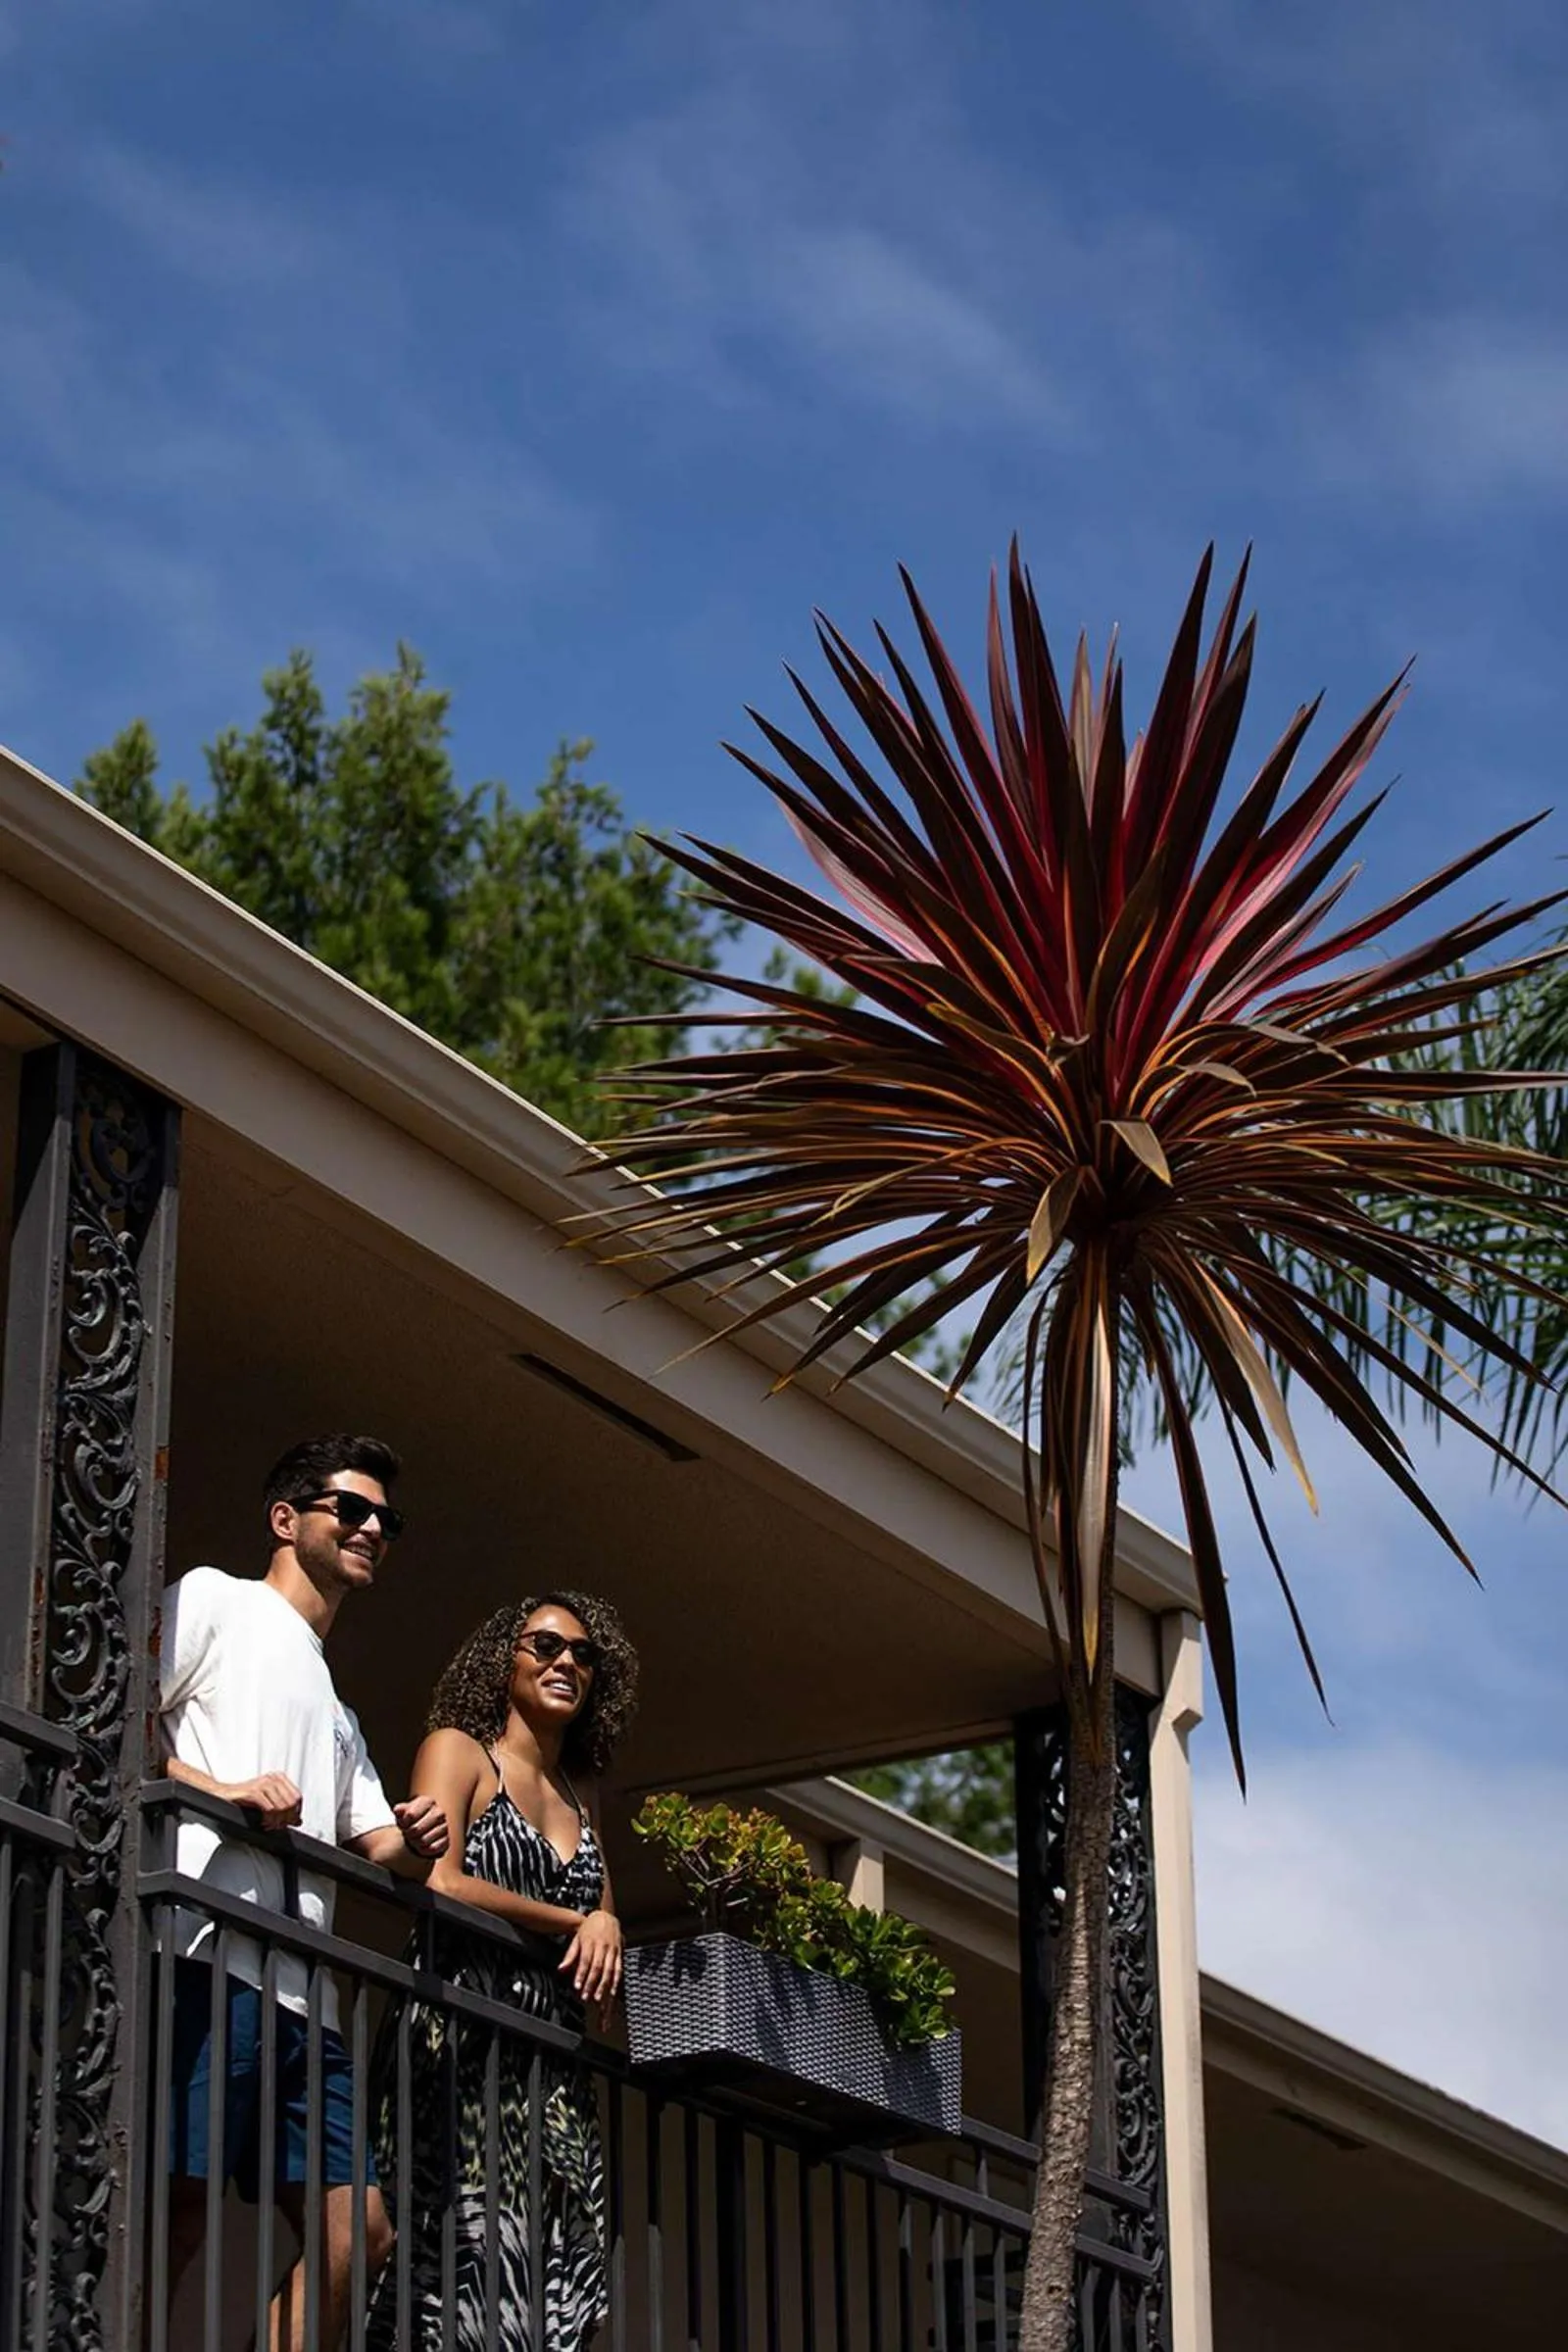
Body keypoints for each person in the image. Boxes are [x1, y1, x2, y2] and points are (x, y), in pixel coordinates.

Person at [159, 1434, 450, 2352]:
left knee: (358, 2234)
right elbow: (114, 1730)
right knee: (180, 2210)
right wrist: (226, 1789)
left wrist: (421, 1836)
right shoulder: (215, 1600)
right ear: (285, 1520)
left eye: (384, 1519)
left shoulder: (336, 1705)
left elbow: (375, 1841)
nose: (371, 1528)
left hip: (305, 1999)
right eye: (350, 1510)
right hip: (207, 1954)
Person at [366, 1592, 638, 2352]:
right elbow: (440, 1879)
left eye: (585, 1655)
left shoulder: (581, 1795)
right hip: (459, 2037)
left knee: (554, 2275)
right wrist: (576, 1922)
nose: (566, 1663)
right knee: (460, 2268)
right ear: (504, 1659)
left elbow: (603, 1924)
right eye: (545, 1646)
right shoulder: (460, 1750)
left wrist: (604, 1922)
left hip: (548, 2063)